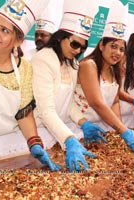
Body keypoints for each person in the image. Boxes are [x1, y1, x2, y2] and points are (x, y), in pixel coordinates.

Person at [0, 0, 60, 184]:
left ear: (19, 40)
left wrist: (34, 142)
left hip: (7, 143)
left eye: (5, 30)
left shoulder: (24, 68)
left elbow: (23, 113)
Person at [31, 0, 104, 172]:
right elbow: (45, 110)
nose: (78, 50)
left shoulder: (72, 64)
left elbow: (68, 103)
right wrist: (69, 139)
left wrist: (83, 122)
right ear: (60, 38)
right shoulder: (43, 59)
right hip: (40, 132)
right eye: (75, 44)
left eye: (82, 47)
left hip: (60, 131)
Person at [75, 1, 134, 153]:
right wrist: (123, 130)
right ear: (102, 45)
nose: (117, 53)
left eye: (122, 49)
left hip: (103, 128)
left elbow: (115, 101)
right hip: (80, 128)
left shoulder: (116, 70)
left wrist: (120, 131)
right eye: (113, 46)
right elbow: (96, 102)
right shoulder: (89, 65)